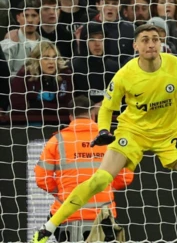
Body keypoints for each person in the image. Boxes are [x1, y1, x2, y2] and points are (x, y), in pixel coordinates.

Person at [32, 24, 177, 243]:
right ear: (135, 45)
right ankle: (47, 229)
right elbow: (106, 107)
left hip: (170, 133)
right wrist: (104, 129)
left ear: (161, 43)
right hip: (133, 132)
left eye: (154, 39)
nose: (150, 44)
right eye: (144, 40)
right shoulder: (125, 74)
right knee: (99, 180)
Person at [35, 96, 134, 242]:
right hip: (103, 215)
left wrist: (61, 191)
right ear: (93, 115)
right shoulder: (111, 140)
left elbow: (41, 179)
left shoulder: (57, 141)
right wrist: (104, 186)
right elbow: (126, 177)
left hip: (68, 214)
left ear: (70, 116)